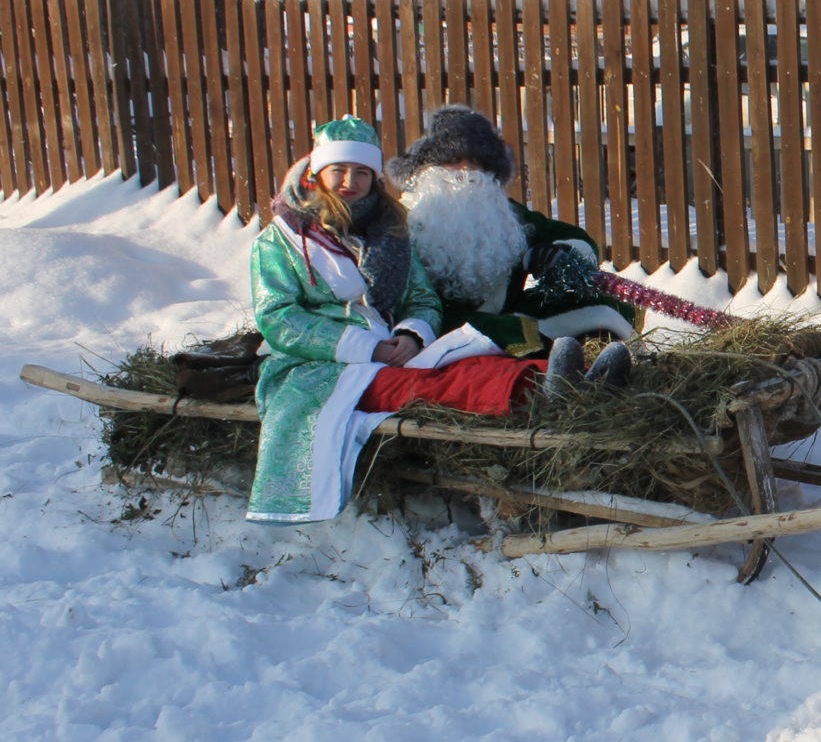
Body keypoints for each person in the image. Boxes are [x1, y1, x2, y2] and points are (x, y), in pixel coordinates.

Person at [246, 117, 623, 525]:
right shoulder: (280, 240)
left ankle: (571, 377)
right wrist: (366, 346)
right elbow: (278, 317)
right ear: (317, 172)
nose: (349, 182)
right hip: (321, 367)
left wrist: (411, 332)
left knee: (470, 368)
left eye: (360, 173)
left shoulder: (388, 232)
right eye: (339, 170)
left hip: (393, 347)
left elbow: (420, 297)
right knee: (437, 384)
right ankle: (546, 390)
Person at [386, 106, 641, 359]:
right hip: (440, 329)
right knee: (508, 332)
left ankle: (599, 364)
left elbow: (575, 238)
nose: (465, 170)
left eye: (476, 162)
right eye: (452, 160)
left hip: (511, 320)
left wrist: (558, 253)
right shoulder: (405, 218)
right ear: (427, 168)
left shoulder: (505, 214)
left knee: (607, 302)